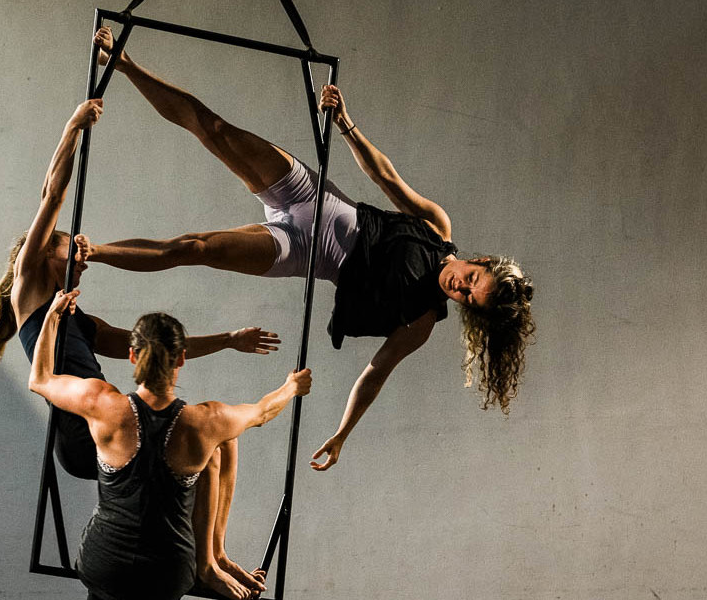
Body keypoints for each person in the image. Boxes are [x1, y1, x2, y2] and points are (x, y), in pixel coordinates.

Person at [78, 27, 535, 472]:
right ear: (479, 262)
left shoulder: (421, 320)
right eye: (472, 280)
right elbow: (387, 179)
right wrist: (346, 124)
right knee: (214, 129)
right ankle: (124, 62)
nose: (461, 289)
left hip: (299, 252)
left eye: (469, 299)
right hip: (312, 197)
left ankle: (91, 252)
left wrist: (342, 433)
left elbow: (374, 374)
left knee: (192, 247)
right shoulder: (437, 227)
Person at [0, 96, 278, 598]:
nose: (83, 254)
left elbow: (156, 347)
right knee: (210, 435)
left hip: (113, 420)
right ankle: (205, 566)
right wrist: (73, 127)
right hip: (87, 435)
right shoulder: (30, 290)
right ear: (44, 254)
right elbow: (52, 195)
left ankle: (213, 556)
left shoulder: (79, 318)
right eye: (71, 248)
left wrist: (230, 341)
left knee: (222, 439)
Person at [28, 290, 311, 600]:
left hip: (104, 559)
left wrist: (53, 319)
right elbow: (262, 411)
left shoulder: (103, 403)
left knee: (103, 582)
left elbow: (40, 378)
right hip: (166, 569)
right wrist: (291, 388)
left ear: (132, 355)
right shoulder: (205, 420)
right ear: (182, 359)